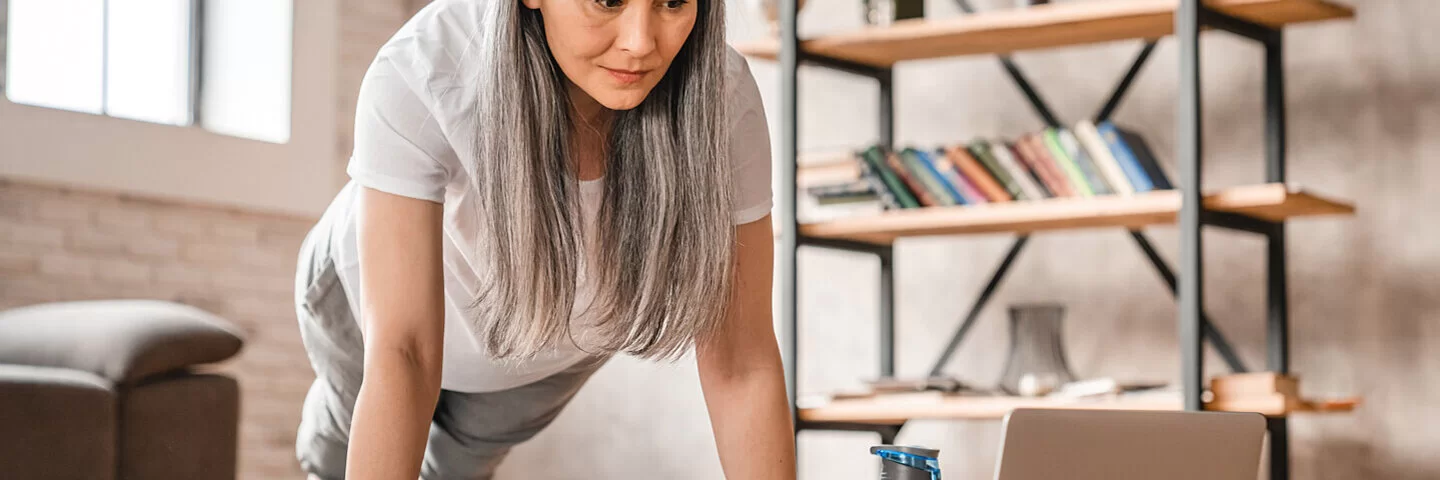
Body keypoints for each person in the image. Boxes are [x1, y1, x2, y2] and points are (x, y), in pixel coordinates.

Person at [291, 0, 793, 478]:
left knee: (454, 473)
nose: (642, 43)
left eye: (674, 2)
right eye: (608, 0)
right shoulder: (425, 67)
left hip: (539, 349)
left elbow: (743, 360)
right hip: (364, 309)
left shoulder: (723, 101)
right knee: (336, 455)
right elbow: (407, 350)